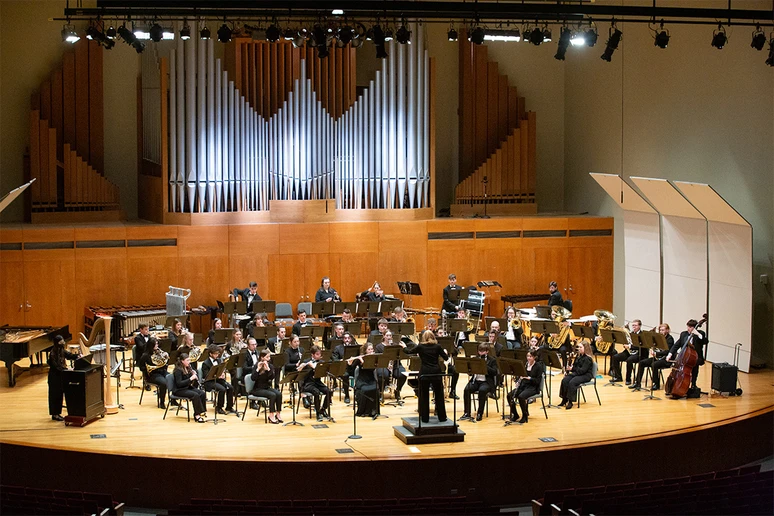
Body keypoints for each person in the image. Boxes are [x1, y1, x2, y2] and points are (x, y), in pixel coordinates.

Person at [399, 330, 448, 423]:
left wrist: (404, 347)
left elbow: (409, 352)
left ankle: (425, 418)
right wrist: (445, 352)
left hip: (424, 373)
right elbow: (445, 358)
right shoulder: (438, 346)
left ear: (423, 338)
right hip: (436, 372)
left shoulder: (421, 347)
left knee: (424, 395)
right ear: (433, 337)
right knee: (439, 395)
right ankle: (442, 417)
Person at [460, 343, 498, 422]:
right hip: (475, 381)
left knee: (482, 391)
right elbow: (471, 371)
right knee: (466, 390)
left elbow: (495, 372)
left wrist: (484, 365)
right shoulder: (475, 358)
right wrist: (469, 371)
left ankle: (480, 413)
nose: (481, 353)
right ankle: (467, 412)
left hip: (486, 382)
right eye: (479, 351)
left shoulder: (492, 360)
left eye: (483, 351)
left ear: (487, 351)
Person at [630, 323, 674, 391]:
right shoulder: (658, 338)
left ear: (667, 330)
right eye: (660, 330)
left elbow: (667, 351)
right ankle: (637, 383)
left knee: (654, 364)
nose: (661, 332)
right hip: (658, 358)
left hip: (666, 360)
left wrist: (656, 353)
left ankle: (656, 384)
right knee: (642, 363)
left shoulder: (670, 339)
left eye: (663, 330)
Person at [47, 335, 80, 421]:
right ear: (57, 343)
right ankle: (55, 414)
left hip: (60, 376)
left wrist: (77, 356)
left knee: (60, 395)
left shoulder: (61, 350)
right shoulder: (53, 353)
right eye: (61, 342)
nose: (63, 343)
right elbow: (56, 367)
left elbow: (68, 355)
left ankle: (59, 413)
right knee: (55, 396)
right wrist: (66, 369)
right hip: (54, 377)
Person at [507, 349, 544, 424]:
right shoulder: (525, 364)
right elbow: (520, 375)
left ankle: (524, 415)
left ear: (534, 357)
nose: (528, 358)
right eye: (527, 356)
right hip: (523, 386)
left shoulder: (538, 366)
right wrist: (518, 381)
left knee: (521, 397)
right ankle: (516, 414)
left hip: (533, 387)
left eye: (530, 356)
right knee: (509, 395)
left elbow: (537, 381)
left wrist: (529, 378)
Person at [298, 345, 332, 421]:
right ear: (312, 355)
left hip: (317, 382)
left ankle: (323, 409)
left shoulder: (321, 362)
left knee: (329, 391)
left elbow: (322, 373)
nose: (319, 356)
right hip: (308, 383)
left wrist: (314, 367)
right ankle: (318, 413)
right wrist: (301, 367)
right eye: (317, 354)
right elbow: (299, 373)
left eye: (320, 354)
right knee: (316, 392)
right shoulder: (306, 361)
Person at [672, 318, 708, 391]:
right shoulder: (683, 334)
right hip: (684, 357)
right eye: (688, 326)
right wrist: (670, 353)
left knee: (694, 367)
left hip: (696, 357)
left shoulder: (700, 333)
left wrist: (697, 333)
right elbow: (677, 344)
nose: (689, 329)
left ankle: (693, 384)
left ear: (694, 327)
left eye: (691, 327)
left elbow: (704, 341)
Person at [173, 353, 208, 423]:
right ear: (182, 361)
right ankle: (197, 415)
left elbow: (189, 382)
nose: (189, 362)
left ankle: (201, 411)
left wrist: (193, 375)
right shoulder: (178, 370)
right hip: (179, 390)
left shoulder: (187, 368)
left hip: (186, 387)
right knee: (195, 395)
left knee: (202, 393)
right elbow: (179, 384)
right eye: (187, 360)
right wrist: (191, 378)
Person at [201, 345, 236, 415]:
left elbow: (221, 369)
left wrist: (222, 374)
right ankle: (219, 407)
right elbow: (206, 376)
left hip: (219, 380)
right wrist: (216, 376)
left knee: (231, 387)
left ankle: (229, 407)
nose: (217, 355)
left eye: (218, 353)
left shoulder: (219, 360)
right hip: (209, 382)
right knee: (222, 389)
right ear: (210, 354)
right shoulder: (205, 363)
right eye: (215, 354)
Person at [559, 340, 593, 410]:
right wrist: (570, 369)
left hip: (586, 375)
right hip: (578, 373)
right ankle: (564, 399)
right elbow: (575, 366)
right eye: (578, 347)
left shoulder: (588, 358)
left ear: (585, 348)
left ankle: (570, 401)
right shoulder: (578, 356)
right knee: (565, 380)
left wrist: (573, 369)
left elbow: (583, 370)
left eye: (581, 347)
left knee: (573, 382)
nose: (579, 349)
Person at [251, 348, 283, 424]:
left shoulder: (270, 366)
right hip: (257, 389)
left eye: (269, 357)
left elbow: (272, 378)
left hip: (266, 387)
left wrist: (268, 370)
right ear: (262, 358)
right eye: (267, 357)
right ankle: (271, 415)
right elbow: (253, 378)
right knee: (272, 395)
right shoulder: (256, 365)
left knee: (279, 394)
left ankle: (278, 414)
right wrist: (258, 369)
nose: (269, 359)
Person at [348, 342, 379, 417]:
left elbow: (371, 369)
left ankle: (373, 410)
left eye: (372, 349)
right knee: (364, 389)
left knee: (375, 388)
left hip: (371, 379)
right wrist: (350, 363)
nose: (371, 351)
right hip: (361, 380)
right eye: (369, 349)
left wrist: (363, 362)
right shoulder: (360, 358)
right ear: (365, 351)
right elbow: (351, 370)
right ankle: (362, 410)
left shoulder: (375, 358)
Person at [374, 331, 407, 401]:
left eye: (390, 336)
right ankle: (380, 392)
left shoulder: (395, 345)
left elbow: (399, 356)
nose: (389, 337)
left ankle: (397, 391)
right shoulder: (379, 347)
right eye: (387, 335)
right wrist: (386, 364)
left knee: (403, 374)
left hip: (395, 365)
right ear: (384, 336)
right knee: (383, 374)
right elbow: (378, 359)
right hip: (383, 365)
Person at [138, 337, 169, 408]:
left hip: (162, 372)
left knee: (172, 378)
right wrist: (148, 369)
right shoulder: (145, 355)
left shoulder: (158, 352)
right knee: (163, 383)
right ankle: (162, 402)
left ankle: (173, 400)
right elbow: (141, 367)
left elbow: (164, 363)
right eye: (155, 344)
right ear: (151, 346)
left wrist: (165, 357)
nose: (157, 346)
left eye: (157, 344)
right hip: (152, 375)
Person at [609, 319, 642, 384]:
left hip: (638, 353)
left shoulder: (642, 335)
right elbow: (628, 342)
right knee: (615, 357)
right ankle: (618, 377)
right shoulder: (631, 333)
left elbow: (640, 346)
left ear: (640, 326)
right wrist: (625, 344)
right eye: (633, 325)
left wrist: (629, 346)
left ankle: (628, 379)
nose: (634, 327)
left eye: (635, 325)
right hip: (629, 352)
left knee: (629, 360)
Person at [331, 331, 357, 404]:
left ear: (351, 339)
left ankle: (357, 394)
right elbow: (335, 359)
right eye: (345, 338)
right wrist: (341, 360)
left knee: (361, 373)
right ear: (343, 339)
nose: (347, 340)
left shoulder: (355, 347)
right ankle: (347, 395)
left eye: (348, 338)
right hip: (343, 368)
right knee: (345, 375)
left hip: (352, 367)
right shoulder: (338, 348)